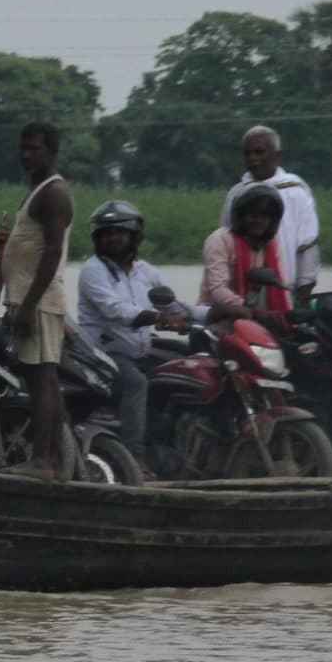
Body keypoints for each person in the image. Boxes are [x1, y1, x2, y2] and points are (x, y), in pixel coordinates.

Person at [76, 198, 201, 464]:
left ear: (134, 235)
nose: (114, 238)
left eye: (120, 232)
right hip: (103, 355)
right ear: (98, 238)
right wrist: (155, 317)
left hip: (140, 350)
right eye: (108, 233)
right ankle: (135, 460)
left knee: (188, 366)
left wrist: (215, 313)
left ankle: (179, 448)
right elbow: (115, 310)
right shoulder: (93, 271)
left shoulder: (146, 272)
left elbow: (173, 306)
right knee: (136, 383)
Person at [0, 122, 74, 479]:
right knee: (41, 377)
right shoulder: (36, 190)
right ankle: (54, 460)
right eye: (23, 148)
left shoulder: (54, 193)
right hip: (28, 299)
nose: (26, 155)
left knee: (43, 378)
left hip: (39, 302)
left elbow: (54, 251)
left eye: (35, 149)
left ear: (52, 152)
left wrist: (27, 305)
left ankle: (44, 460)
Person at [220, 126, 322, 302]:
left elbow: (308, 247)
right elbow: (224, 244)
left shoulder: (295, 193)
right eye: (248, 153)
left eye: (259, 152)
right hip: (241, 293)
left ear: (276, 155)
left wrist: (303, 294)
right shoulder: (236, 194)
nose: (253, 158)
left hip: (284, 289)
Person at [200, 183, 293, 325]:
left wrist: (288, 315)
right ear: (241, 216)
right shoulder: (220, 240)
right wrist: (252, 310)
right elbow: (218, 290)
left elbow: (279, 285)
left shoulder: (270, 246)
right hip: (215, 324)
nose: (259, 221)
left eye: (265, 216)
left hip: (254, 327)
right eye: (253, 215)